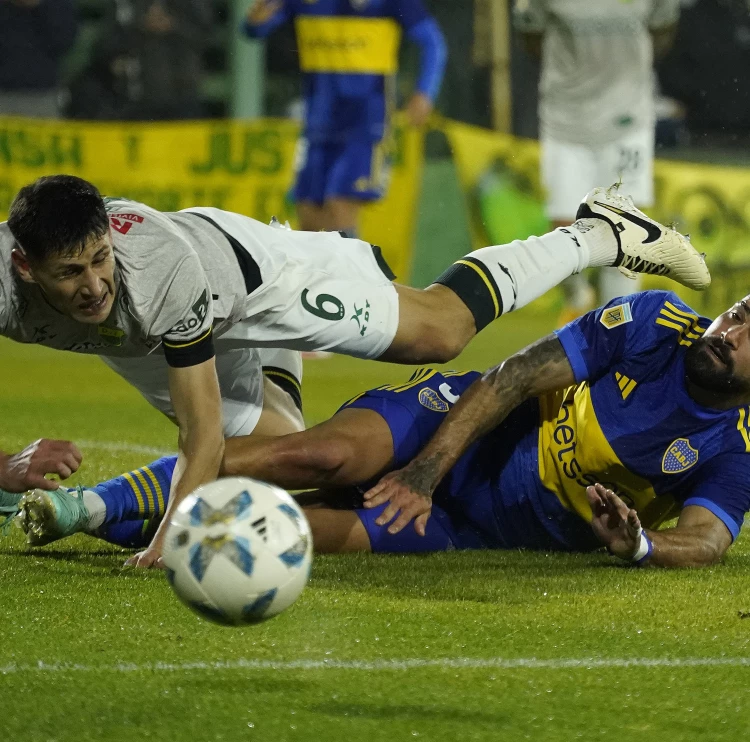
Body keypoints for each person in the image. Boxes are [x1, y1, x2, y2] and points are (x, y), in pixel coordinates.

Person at [0, 176, 708, 567]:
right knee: (284, 442)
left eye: (101, 260)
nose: (94, 282)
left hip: (248, 279)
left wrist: (165, 546)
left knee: (439, 330)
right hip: (140, 336)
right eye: (71, 272)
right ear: (24, 267)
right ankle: (274, 363)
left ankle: (600, 231)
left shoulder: (159, 275)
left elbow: (201, 434)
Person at [16, 288, 750, 569]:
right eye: (741, 311)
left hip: (483, 530)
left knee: (282, 533)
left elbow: (709, 540)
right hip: (463, 428)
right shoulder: (657, 323)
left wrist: (643, 543)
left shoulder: (731, 449)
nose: (735, 329)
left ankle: (90, 527)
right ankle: (96, 502)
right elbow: (513, 376)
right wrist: (426, 471)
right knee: (322, 455)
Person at [513, 0, 680, 322]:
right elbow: (530, 35)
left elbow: (663, 30)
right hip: (566, 117)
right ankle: (577, 294)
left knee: (626, 226)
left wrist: (622, 68)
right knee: (564, 224)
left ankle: (620, 318)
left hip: (626, 118)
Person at [242, 0, 447, 237]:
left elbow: (433, 42)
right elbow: (255, 30)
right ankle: (325, 274)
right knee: (308, 215)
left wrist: (425, 93)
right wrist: (255, 21)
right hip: (318, 124)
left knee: (339, 206)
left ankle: (350, 274)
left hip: (367, 122)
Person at [67, 0, 212, 121]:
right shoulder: (124, 3)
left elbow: (205, 34)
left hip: (182, 97)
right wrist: (141, 26)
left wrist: (173, 25)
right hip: (135, 101)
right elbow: (106, 44)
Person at [0, 0, 78, 118]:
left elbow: (64, 40)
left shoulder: (58, 5)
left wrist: (39, 5)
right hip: (3, 93)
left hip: (42, 95)